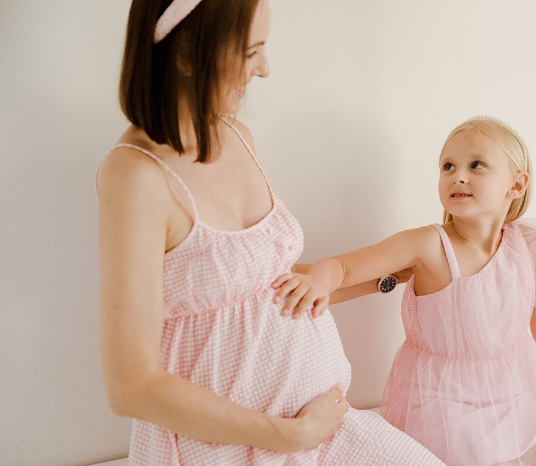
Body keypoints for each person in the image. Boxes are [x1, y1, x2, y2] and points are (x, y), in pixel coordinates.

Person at [96, 0, 445, 464]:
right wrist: (288, 436)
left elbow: (257, 293)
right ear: (184, 56)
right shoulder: (137, 176)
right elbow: (131, 387)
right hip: (235, 448)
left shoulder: (237, 135)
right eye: (250, 51)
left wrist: (380, 278)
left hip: (326, 429)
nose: (263, 69)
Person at [272, 116, 536, 465]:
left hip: (515, 391)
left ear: (516, 185)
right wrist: (319, 280)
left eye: (476, 165)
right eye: (447, 166)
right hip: (442, 403)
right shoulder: (428, 245)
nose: (457, 175)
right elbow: (344, 268)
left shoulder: (529, 243)